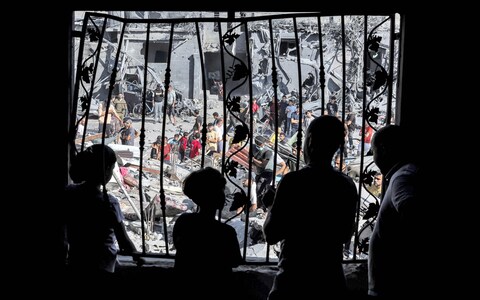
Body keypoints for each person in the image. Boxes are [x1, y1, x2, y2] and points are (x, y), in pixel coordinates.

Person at [263, 115, 358, 299]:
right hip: (330, 282)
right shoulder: (346, 185)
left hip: (293, 281)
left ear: (311, 140)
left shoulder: (293, 182)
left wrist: (270, 206)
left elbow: (271, 234)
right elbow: (346, 234)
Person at [63, 144, 136, 288]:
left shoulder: (69, 193)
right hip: (102, 268)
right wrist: (137, 255)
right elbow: (124, 242)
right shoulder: (109, 203)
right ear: (107, 171)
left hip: (76, 263)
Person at [368, 125, 428, 297]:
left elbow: (412, 211)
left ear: (384, 150)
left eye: (373, 151)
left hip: (391, 286)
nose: (373, 157)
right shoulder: (409, 172)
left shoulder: (402, 178)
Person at [172, 167, 243, 299]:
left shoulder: (184, 222)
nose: (224, 194)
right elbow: (235, 261)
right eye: (221, 190)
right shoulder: (225, 232)